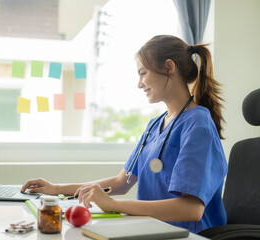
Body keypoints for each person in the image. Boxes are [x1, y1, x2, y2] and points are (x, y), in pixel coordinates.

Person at [21, 35, 228, 234]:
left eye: (142, 73)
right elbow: (121, 182)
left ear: (169, 67)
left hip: (189, 235)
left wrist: (113, 205)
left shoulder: (198, 125)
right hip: (154, 230)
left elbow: (191, 209)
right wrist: (56, 188)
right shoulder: (155, 124)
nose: (139, 84)